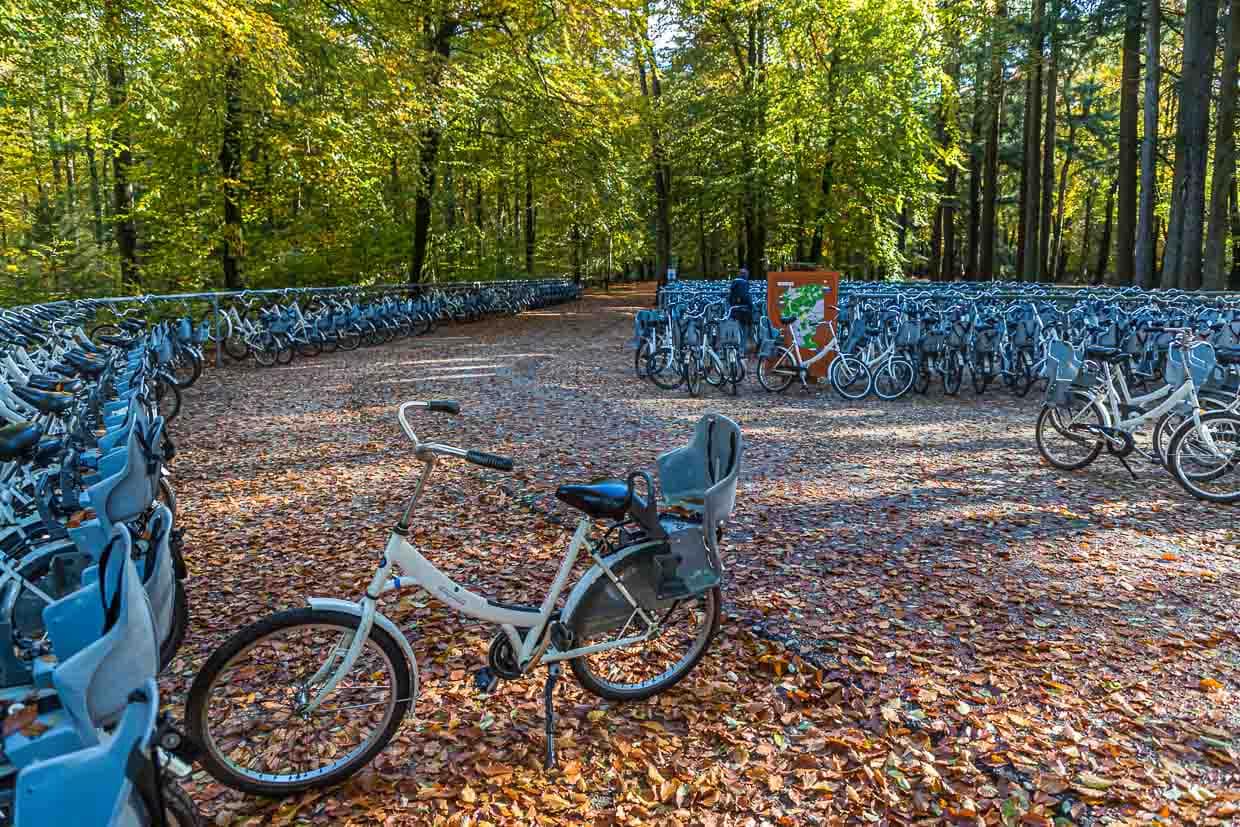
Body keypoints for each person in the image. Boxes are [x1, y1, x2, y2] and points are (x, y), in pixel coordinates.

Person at [728, 268, 755, 350]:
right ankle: (742, 349)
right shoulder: (744, 283)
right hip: (744, 309)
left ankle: (735, 348)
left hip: (734, 309)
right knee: (745, 330)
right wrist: (751, 306)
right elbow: (746, 297)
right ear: (746, 275)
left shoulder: (734, 283)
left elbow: (730, 297)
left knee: (736, 329)